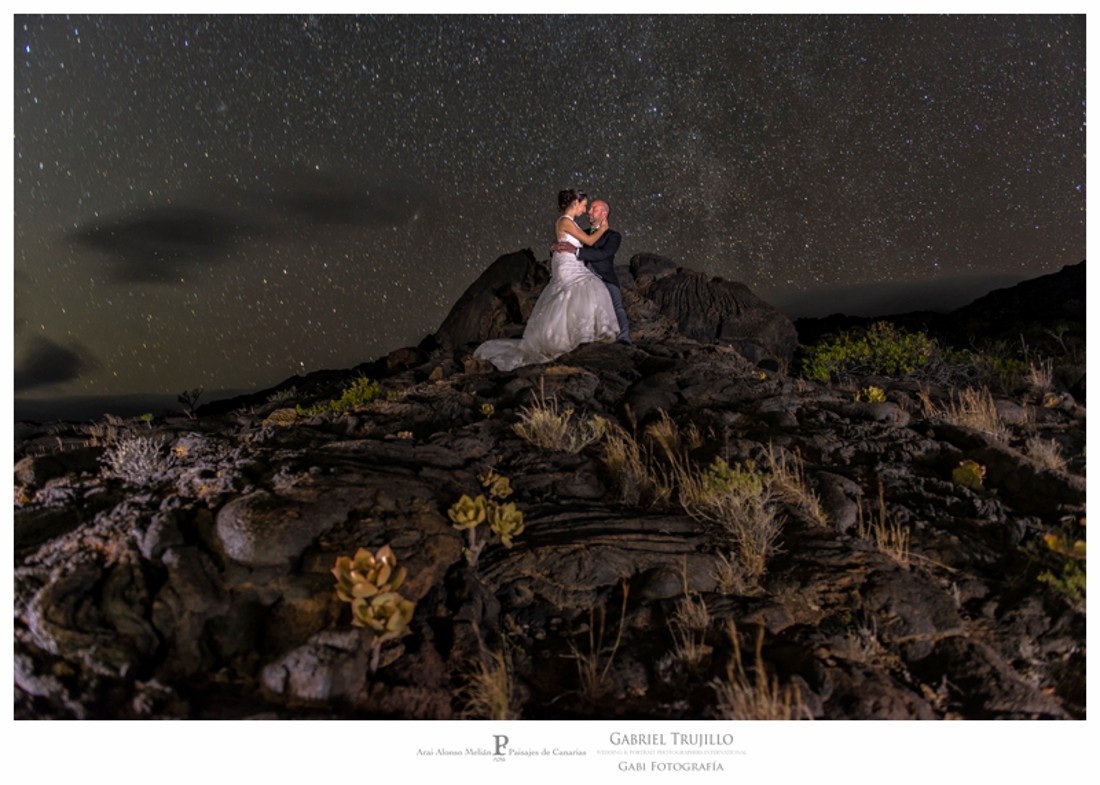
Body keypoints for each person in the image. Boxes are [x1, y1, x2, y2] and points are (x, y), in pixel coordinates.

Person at [473, 189, 620, 371]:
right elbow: (589, 241)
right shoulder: (566, 221)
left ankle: (581, 334)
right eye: (583, 206)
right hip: (568, 264)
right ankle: (577, 336)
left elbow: (574, 241)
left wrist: (554, 245)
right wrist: (604, 229)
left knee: (579, 290)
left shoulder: (569, 223)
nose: (585, 210)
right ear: (575, 204)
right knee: (586, 287)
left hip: (568, 261)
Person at [552, 198, 630, 344]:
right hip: (581, 278)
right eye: (590, 208)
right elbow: (567, 245)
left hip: (604, 278)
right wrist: (555, 248)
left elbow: (603, 254)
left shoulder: (613, 236)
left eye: (594, 209)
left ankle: (624, 338)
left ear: (604, 214)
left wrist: (577, 251)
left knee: (617, 307)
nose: (589, 211)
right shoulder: (583, 233)